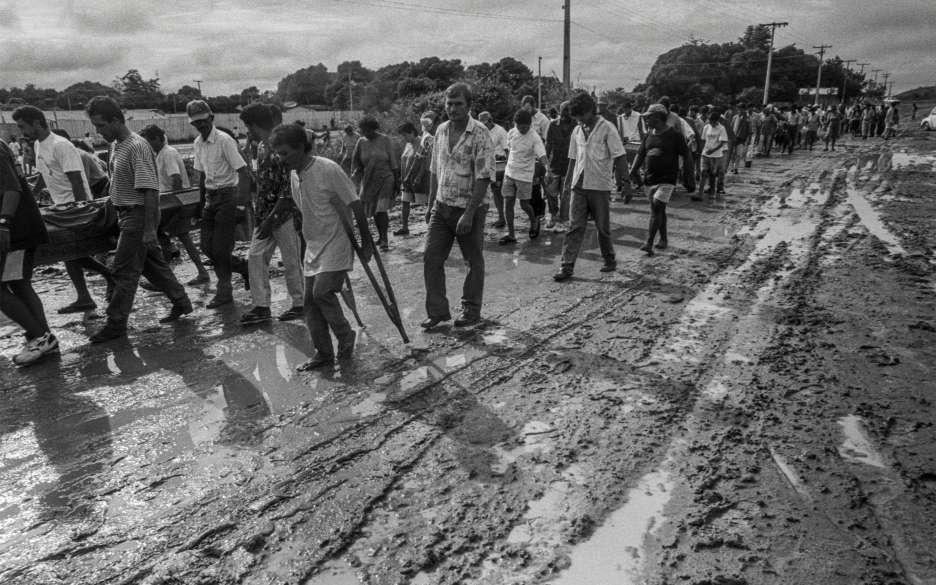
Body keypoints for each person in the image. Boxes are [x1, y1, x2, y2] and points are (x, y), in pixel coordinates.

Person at [84, 96, 192, 343]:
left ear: (115, 120)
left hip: (138, 215)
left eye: (101, 125)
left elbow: (150, 191)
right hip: (124, 213)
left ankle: (116, 323)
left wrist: (150, 228)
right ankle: (182, 302)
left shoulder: (136, 146)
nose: (98, 131)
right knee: (153, 267)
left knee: (123, 271)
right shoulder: (116, 146)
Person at [269, 124, 372, 369]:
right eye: (278, 153)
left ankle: (345, 335)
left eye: (284, 153)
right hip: (314, 244)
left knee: (322, 293)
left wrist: (366, 242)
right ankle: (323, 353)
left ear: (300, 148)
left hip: (337, 242)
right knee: (309, 304)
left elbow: (355, 204)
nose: (279, 159)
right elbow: (305, 211)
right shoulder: (295, 174)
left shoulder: (328, 169)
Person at [12, 105, 115, 314]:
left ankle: (108, 276)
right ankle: (86, 296)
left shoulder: (61, 145)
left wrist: (80, 208)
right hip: (59, 206)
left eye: (23, 126)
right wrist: (33, 193)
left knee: (71, 250)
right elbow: (43, 174)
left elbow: (76, 179)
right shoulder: (40, 146)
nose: (21, 131)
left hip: (75, 206)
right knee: (69, 253)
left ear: (37, 123)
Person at [422, 83, 494, 329]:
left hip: (469, 209)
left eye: (458, 104)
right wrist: (431, 205)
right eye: (449, 104)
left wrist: (469, 214)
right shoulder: (441, 131)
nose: (452, 109)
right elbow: (435, 171)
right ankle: (438, 312)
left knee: (473, 261)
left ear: (469, 106)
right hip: (441, 208)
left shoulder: (481, 133)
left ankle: (471, 310)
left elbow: (484, 177)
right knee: (431, 258)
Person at [235, 104, 305, 326]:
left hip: (283, 214)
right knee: (255, 257)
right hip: (265, 212)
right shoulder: (262, 147)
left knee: (291, 260)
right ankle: (262, 306)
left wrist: (272, 218)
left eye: (248, 126)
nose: (247, 130)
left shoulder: (278, 147)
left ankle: (300, 304)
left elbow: (288, 190)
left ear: (254, 125)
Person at [553, 92, 626, 282]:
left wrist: (625, 183)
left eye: (581, 116)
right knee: (574, 226)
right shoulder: (577, 131)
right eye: (576, 117)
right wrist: (567, 185)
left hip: (599, 186)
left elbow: (620, 156)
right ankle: (566, 266)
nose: (579, 120)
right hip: (579, 185)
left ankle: (609, 259)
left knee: (602, 227)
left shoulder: (607, 128)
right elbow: (572, 159)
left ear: (591, 111)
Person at [187, 99, 251, 308]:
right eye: (196, 122)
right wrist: (198, 205)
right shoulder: (198, 144)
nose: (201, 125)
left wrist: (241, 205)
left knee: (221, 249)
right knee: (207, 247)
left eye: (203, 121)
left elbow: (243, 172)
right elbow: (202, 176)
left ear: (211, 118)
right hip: (210, 198)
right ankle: (244, 268)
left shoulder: (224, 140)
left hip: (229, 196)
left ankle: (225, 291)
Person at [1, 137, 58, 365]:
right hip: (15, 229)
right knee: (19, 283)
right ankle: (44, 339)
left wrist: (4, 223)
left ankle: (40, 336)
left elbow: (11, 189)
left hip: (15, 231)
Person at [139, 124, 211, 286]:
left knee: (178, 238)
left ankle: (193, 273)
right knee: (169, 239)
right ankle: (171, 276)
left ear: (156, 139)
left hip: (174, 204)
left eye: (148, 142)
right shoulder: (160, 154)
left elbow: (176, 179)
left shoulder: (168, 154)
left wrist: (174, 203)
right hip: (169, 203)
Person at [629, 104, 695, 256]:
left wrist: (689, 177)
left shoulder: (675, 135)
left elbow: (687, 155)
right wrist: (632, 172)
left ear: (658, 117)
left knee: (658, 206)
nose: (646, 120)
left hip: (667, 179)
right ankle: (663, 239)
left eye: (648, 117)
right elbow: (640, 155)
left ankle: (649, 242)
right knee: (658, 211)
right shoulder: (648, 135)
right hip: (650, 179)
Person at [499, 109, 548, 245]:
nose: (522, 130)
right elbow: (510, 150)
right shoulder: (511, 132)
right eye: (520, 127)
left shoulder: (534, 137)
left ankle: (534, 220)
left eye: (525, 127)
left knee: (524, 204)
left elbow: (542, 155)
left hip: (525, 175)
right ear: (515, 124)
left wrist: (548, 169)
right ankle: (511, 234)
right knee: (508, 202)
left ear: (530, 125)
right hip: (509, 173)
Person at [351, 116, 399, 252]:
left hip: (385, 178)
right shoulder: (361, 142)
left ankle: (384, 239)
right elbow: (357, 162)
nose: (366, 134)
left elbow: (393, 162)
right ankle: (380, 236)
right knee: (373, 211)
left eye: (369, 131)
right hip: (369, 180)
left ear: (374, 129)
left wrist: (396, 181)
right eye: (364, 131)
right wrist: (355, 175)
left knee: (381, 209)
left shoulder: (385, 140)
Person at [396, 121, 431, 236]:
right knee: (405, 201)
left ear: (412, 132)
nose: (404, 138)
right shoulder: (408, 144)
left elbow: (424, 161)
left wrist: (419, 177)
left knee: (426, 202)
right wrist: (402, 177)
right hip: (406, 179)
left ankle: (432, 228)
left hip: (419, 178)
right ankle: (405, 227)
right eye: (402, 135)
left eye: (405, 135)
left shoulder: (422, 142)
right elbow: (404, 161)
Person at [544, 100, 574, 231]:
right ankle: (553, 214)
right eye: (564, 110)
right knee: (550, 191)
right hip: (554, 164)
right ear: (560, 111)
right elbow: (548, 145)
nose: (566, 113)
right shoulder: (552, 125)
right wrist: (546, 165)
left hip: (570, 165)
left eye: (569, 110)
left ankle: (564, 219)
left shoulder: (577, 126)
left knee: (566, 194)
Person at [477, 111, 509, 228]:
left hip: (499, 166)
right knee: (484, 192)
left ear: (490, 121)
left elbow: (507, 150)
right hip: (485, 164)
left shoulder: (500, 131)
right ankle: (484, 218)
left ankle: (502, 217)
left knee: (497, 192)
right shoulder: (481, 131)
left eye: (485, 123)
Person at [616, 101, 643, 203]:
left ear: (630, 108)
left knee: (634, 166)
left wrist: (643, 144)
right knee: (621, 166)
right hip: (624, 144)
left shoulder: (638, 116)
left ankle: (639, 184)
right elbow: (619, 131)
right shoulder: (621, 117)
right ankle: (620, 185)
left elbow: (641, 130)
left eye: (627, 108)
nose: (625, 111)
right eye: (624, 109)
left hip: (636, 143)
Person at [700, 109, 729, 198]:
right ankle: (700, 192)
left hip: (716, 155)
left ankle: (712, 192)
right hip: (705, 154)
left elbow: (722, 142)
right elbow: (703, 140)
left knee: (712, 174)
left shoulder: (721, 128)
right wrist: (701, 150)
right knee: (703, 171)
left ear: (717, 121)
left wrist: (712, 150)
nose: (711, 123)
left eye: (713, 121)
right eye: (710, 121)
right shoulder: (706, 127)